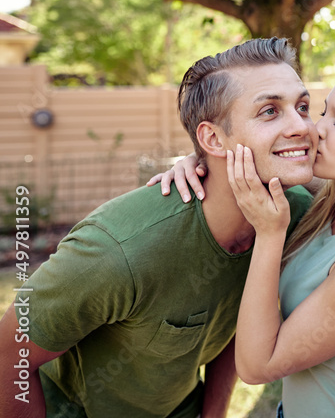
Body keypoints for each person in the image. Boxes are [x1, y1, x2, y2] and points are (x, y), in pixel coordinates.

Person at [0, 38, 316, 418]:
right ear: (213, 139)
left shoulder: (292, 215)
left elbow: (235, 324)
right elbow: (10, 354)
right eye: (270, 111)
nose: (302, 127)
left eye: (302, 107)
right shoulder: (119, 249)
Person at [154, 61, 335, 418]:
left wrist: (270, 233)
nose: (315, 129)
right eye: (322, 112)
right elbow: (258, 160)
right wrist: (200, 159)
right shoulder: (334, 201)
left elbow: (258, 366)